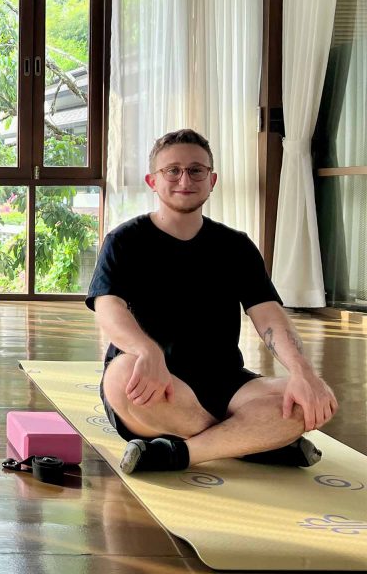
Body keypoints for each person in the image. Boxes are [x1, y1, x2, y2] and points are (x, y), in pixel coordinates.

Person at [87, 129, 338, 474]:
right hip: (157, 380)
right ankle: (253, 442)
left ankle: (181, 453)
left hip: (226, 381)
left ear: (212, 179)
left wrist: (303, 371)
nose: (184, 179)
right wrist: (148, 351)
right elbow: (107, 306)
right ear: (152, 181)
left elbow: (268, 315)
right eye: (172, 170)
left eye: (196, 170)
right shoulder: (124, 241)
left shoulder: (236, 245)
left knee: (306, 403)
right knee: (122, 379)